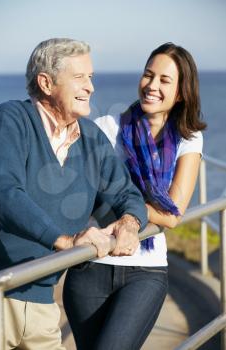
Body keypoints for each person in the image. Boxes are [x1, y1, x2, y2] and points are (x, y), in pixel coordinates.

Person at [0, 38, 148, 350]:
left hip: (43, 307)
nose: (90, 87)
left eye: (90, 77)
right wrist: (64, 241)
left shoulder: (91, 138)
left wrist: (130, 223)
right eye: (79, 77)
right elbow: (4, 193)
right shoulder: (9, 119)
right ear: (46, 82)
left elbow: (127, 193)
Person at [63, 42, 206, 350]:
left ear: (181, 92)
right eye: (148, 75)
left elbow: (172, 214)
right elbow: (76, 194)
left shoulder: (188, 138)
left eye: (164, 80)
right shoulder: (106, 128)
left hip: (146, 270)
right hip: (92, 264)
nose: (151, 86)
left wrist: (125, 209)